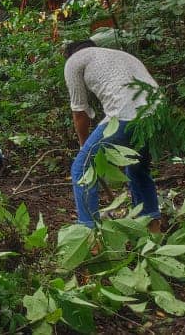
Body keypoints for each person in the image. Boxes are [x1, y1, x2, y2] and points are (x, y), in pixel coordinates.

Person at [63, 40, 161, 229]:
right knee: (137, 167)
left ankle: (89, 234)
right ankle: (152, 230)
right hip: (156, 114)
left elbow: (79, 113)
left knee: (81, 168)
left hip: (125, 115)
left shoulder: (74, 61)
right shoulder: (120, 55)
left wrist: (84, 147)